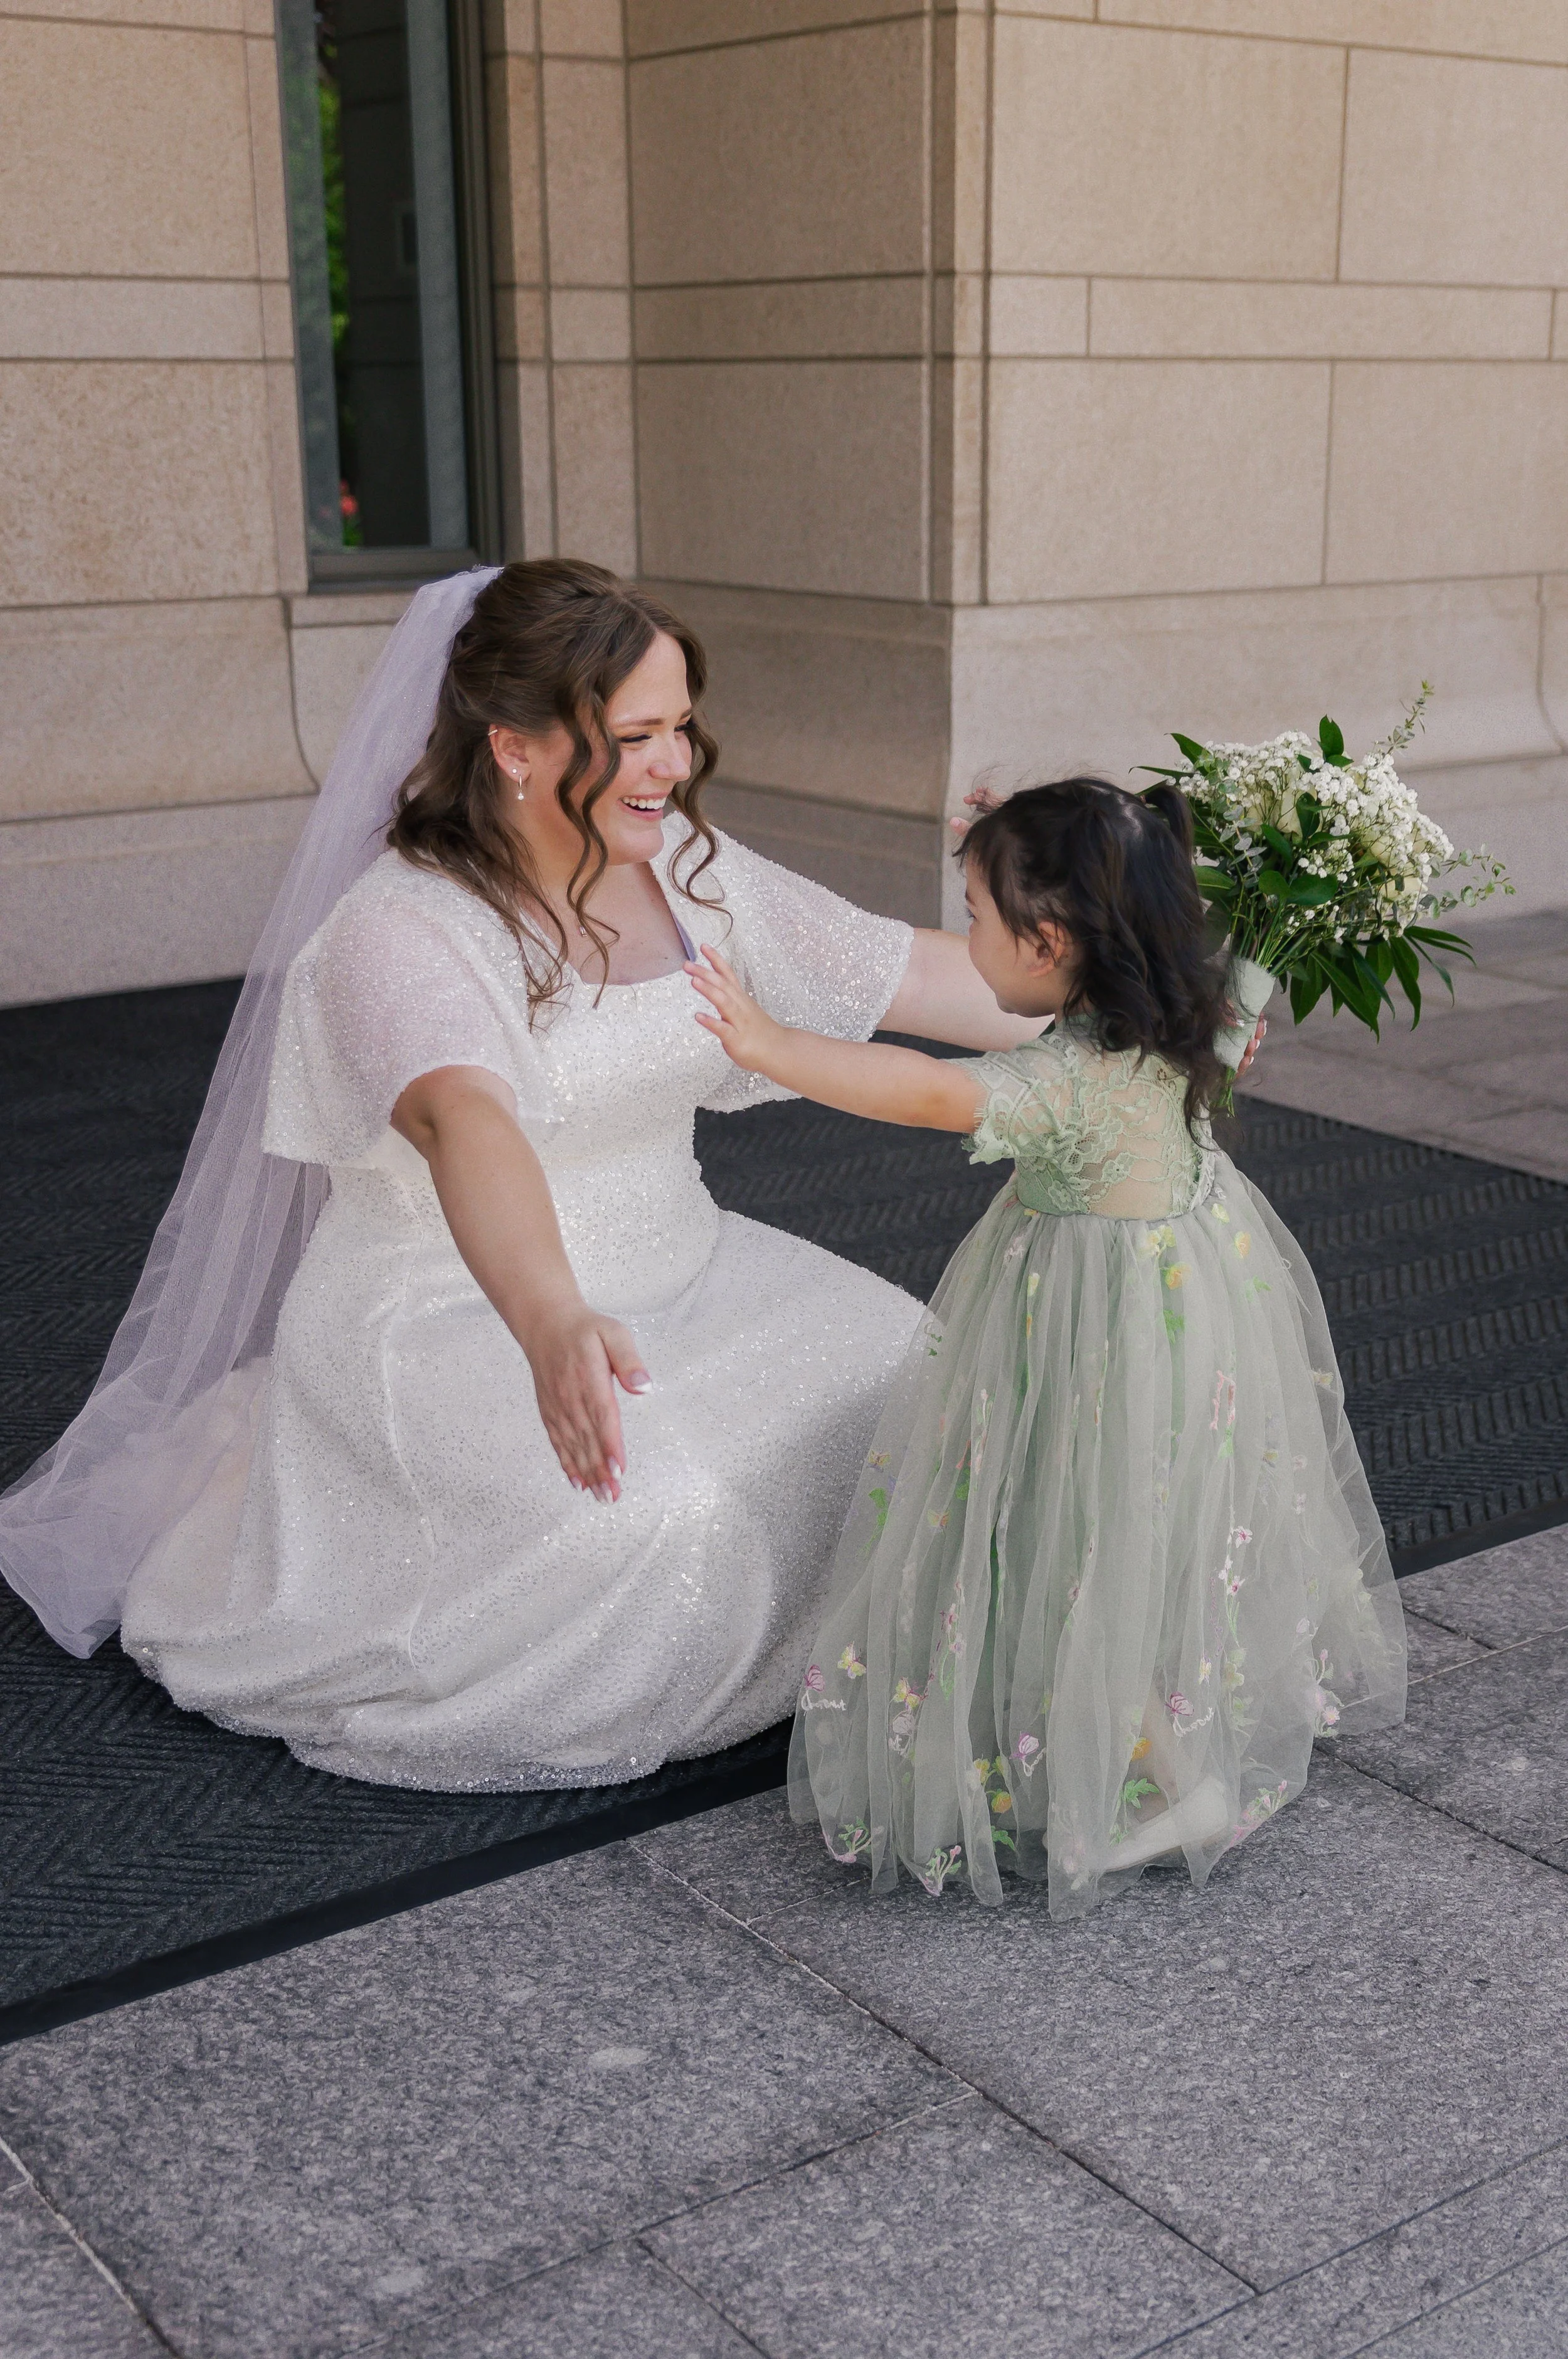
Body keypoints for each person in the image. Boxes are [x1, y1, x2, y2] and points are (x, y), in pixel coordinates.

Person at [0, 560, 1037, 1791]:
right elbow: (462, 1124)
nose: (674, 763)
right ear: (515, 747)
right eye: (636, 735)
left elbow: (912, 974)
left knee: (917, 1365)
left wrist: (1142, 1008)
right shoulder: (406, 926)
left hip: (687, 1260)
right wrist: (549, 1318)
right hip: (454, 1312)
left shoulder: (686, 864)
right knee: (667, 1519)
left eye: (681, 726)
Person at [687, 776, 1407, 1919]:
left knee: (1081, 1529)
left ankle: (1172, 1780)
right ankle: (1131, 1736)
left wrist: (774, 1046)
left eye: (975, 912)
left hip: (1102, 1328)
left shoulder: (1071, 1077)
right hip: (1188, 1293)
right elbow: (1231, 991)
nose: (965, 932)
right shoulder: (1187, 1006)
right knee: (1129, 1533)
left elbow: (927, 1090)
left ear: (1052, 938)